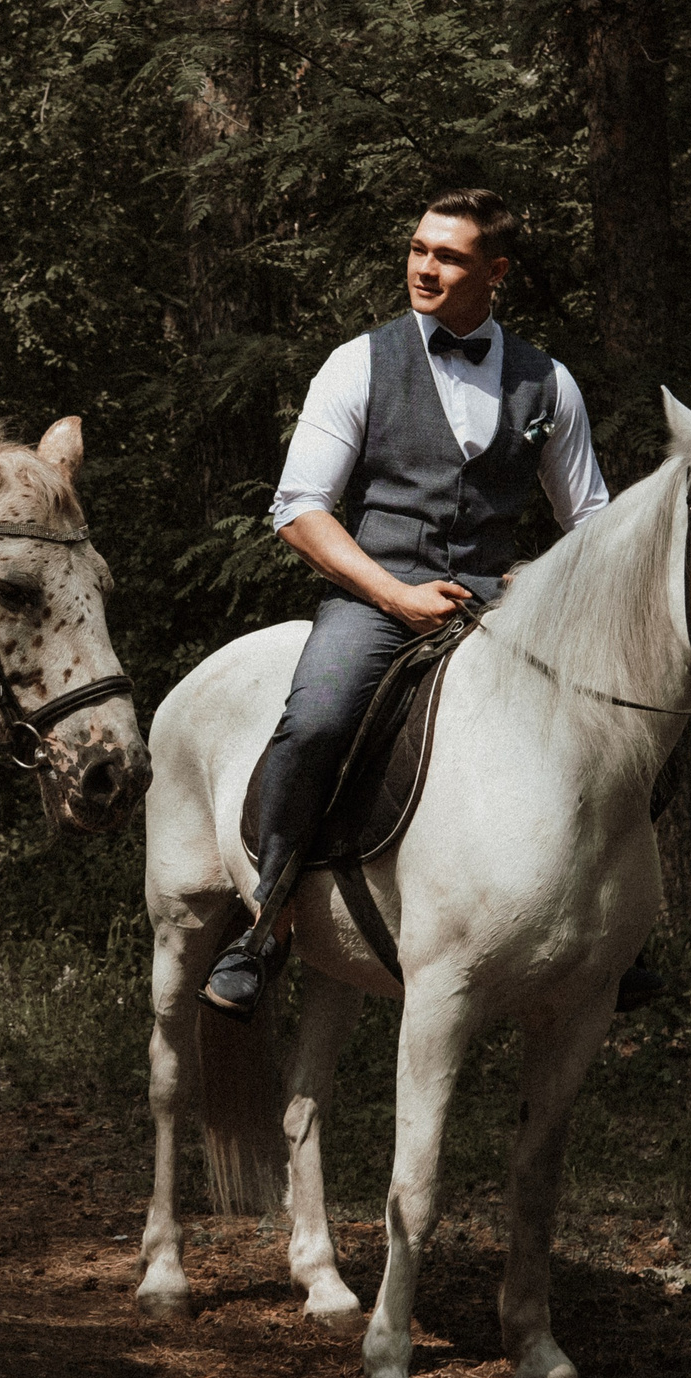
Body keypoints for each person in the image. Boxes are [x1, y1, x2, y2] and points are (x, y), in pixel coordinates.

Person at [203, 188, 639, 1019]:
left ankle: (611, 926)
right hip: (376, 595)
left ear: (496, 272)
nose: (424, 267)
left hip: (499, 605)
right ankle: (267, 919)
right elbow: (298, 509)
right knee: (318, 719)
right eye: (417, 249)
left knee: (619, 719)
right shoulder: (358, 363)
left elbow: (595, 525)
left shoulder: (550, 383)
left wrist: (538, 579)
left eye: (448, 256)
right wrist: (394, 595)